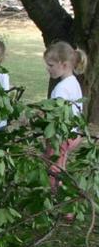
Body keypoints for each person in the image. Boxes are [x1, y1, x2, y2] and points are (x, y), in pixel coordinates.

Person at [43, 41, 87, 194]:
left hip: (61, 136)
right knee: (60, 164)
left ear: (64, 64)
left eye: (51, 65)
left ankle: (61, 201)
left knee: (54, 168)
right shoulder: (73, 82)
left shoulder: (61, 88)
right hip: (74, 134)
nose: (47, 69)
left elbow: (56, 115)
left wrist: (41, 114)